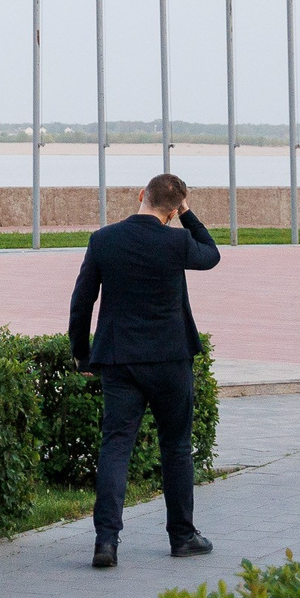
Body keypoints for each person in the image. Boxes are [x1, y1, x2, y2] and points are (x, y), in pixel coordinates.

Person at [67, 172, 221, 569]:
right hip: (171, 359)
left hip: (120, 361)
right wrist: (187, 215)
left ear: (140, 195)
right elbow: (211, 253)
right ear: (173, 210)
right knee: (176, 447)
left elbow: (82, 300)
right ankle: (183, 537)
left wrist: (82, 354)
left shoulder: (104, 240)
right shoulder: (177, 240)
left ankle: (106, 543)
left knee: (116, 446)